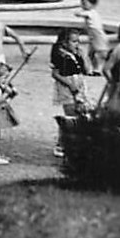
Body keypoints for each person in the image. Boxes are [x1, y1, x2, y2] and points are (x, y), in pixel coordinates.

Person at [50, 27, 90, 158]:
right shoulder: (61, 55)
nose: (77, 44)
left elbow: (87, 70)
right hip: (67, 86)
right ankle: (61, 144)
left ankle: (72, 142)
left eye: (78, 41)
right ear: (64, 43)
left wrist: (84, 56)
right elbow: (55, 74)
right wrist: (70, 84)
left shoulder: (77, 54)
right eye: (73, 41)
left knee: (80, 113)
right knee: (71, 116)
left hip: (79, 84)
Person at [77, 0, 109, 73]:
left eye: (85, 3)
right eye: (82, 3)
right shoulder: (91, 13)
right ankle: (93, 69)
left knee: (99, 53)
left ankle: (98, 69)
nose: (83, 6)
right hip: (93, 34)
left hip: (96, 34)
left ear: (93, 4)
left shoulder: (91, 13)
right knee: (92, 53)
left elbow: (80, 14)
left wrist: (80, 12)